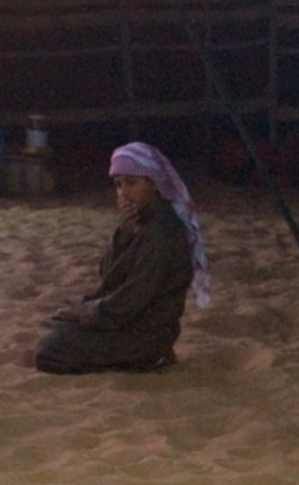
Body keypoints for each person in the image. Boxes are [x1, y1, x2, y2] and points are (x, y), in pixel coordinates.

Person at [34, 142, 209, 375]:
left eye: (131, 183)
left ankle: (148, 359)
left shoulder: (163, 231)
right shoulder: (144, 222)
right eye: (118, 185)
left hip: (146, 333)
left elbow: (134, 296)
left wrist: (87, 312)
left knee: (50, 352)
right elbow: (108, 277)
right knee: (57, 328)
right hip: (130, 321)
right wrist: (124, 235)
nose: (123, 193)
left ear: (154, 184)